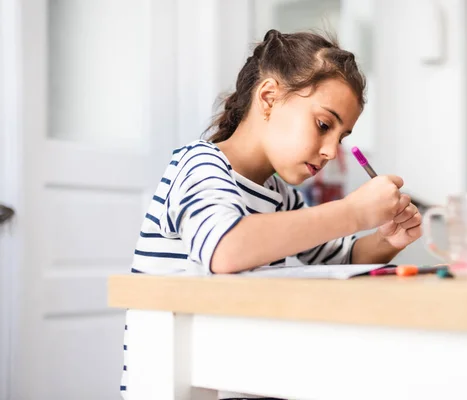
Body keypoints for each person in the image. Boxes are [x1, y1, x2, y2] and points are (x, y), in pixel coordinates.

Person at [121, 29, 422, 400]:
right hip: (177, 382)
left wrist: (385, 240)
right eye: (324, 125)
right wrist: (353, 212)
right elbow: (226, 249)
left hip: (238, 376)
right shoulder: (199, 166)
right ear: (268, 97)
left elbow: (341, 257)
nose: (330, 151)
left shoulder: (281, 196)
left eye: (340, 138)